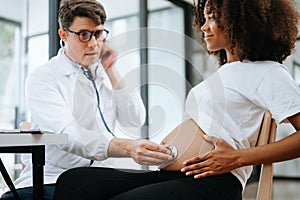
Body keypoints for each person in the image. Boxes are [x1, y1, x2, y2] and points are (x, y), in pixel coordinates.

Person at [52, 0, 300, 200]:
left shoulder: (268, 71)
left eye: (212, 18)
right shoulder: (225, 72)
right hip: (172, 175)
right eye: (204, 18)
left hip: (213, 182)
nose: (204, 27)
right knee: (75, 181)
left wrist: (239, 158)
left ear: (242, 20)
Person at [0, 0, 173, 199]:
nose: (93, 44)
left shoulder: (103, 74)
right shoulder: (43, 77)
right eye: (84, 35)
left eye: (98, 34)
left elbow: (136, 118)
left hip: (100, 177)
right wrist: (128, 148)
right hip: (54, 178)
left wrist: (111, 69)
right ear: (63, 35)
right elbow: (68, 135)